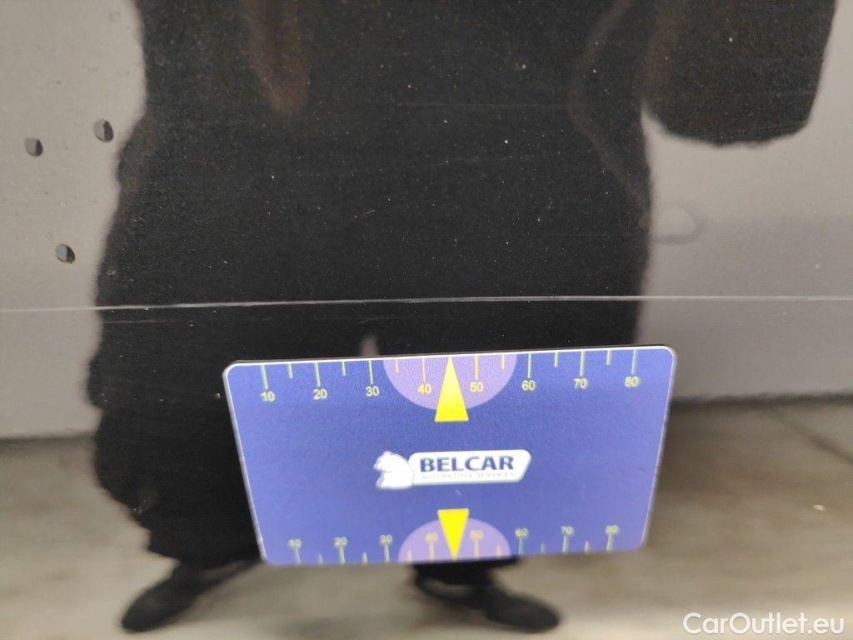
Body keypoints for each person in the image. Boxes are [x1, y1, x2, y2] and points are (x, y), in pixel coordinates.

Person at [89, 0, 834, 633]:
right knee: (189, 383)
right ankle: (207, 544)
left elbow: (731, 100)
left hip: (517, 128)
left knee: (493, 390)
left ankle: (460, 568)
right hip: (244, 126)